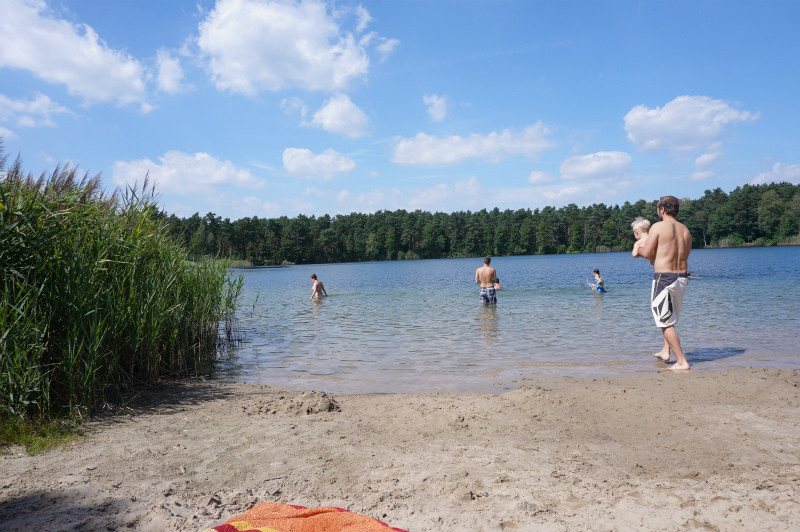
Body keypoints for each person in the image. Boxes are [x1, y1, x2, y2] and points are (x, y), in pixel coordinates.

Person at [636, 195, 692, 371]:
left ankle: (681, 361)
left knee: (664, 321)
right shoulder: (685, 230)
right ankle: (665, 351)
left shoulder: (658, 227)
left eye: (657, 209)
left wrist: (638, 247)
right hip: (682, 278)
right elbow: (684, 255)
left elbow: (647, 253)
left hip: (664, 278)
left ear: (662, 210)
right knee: (668, 317)